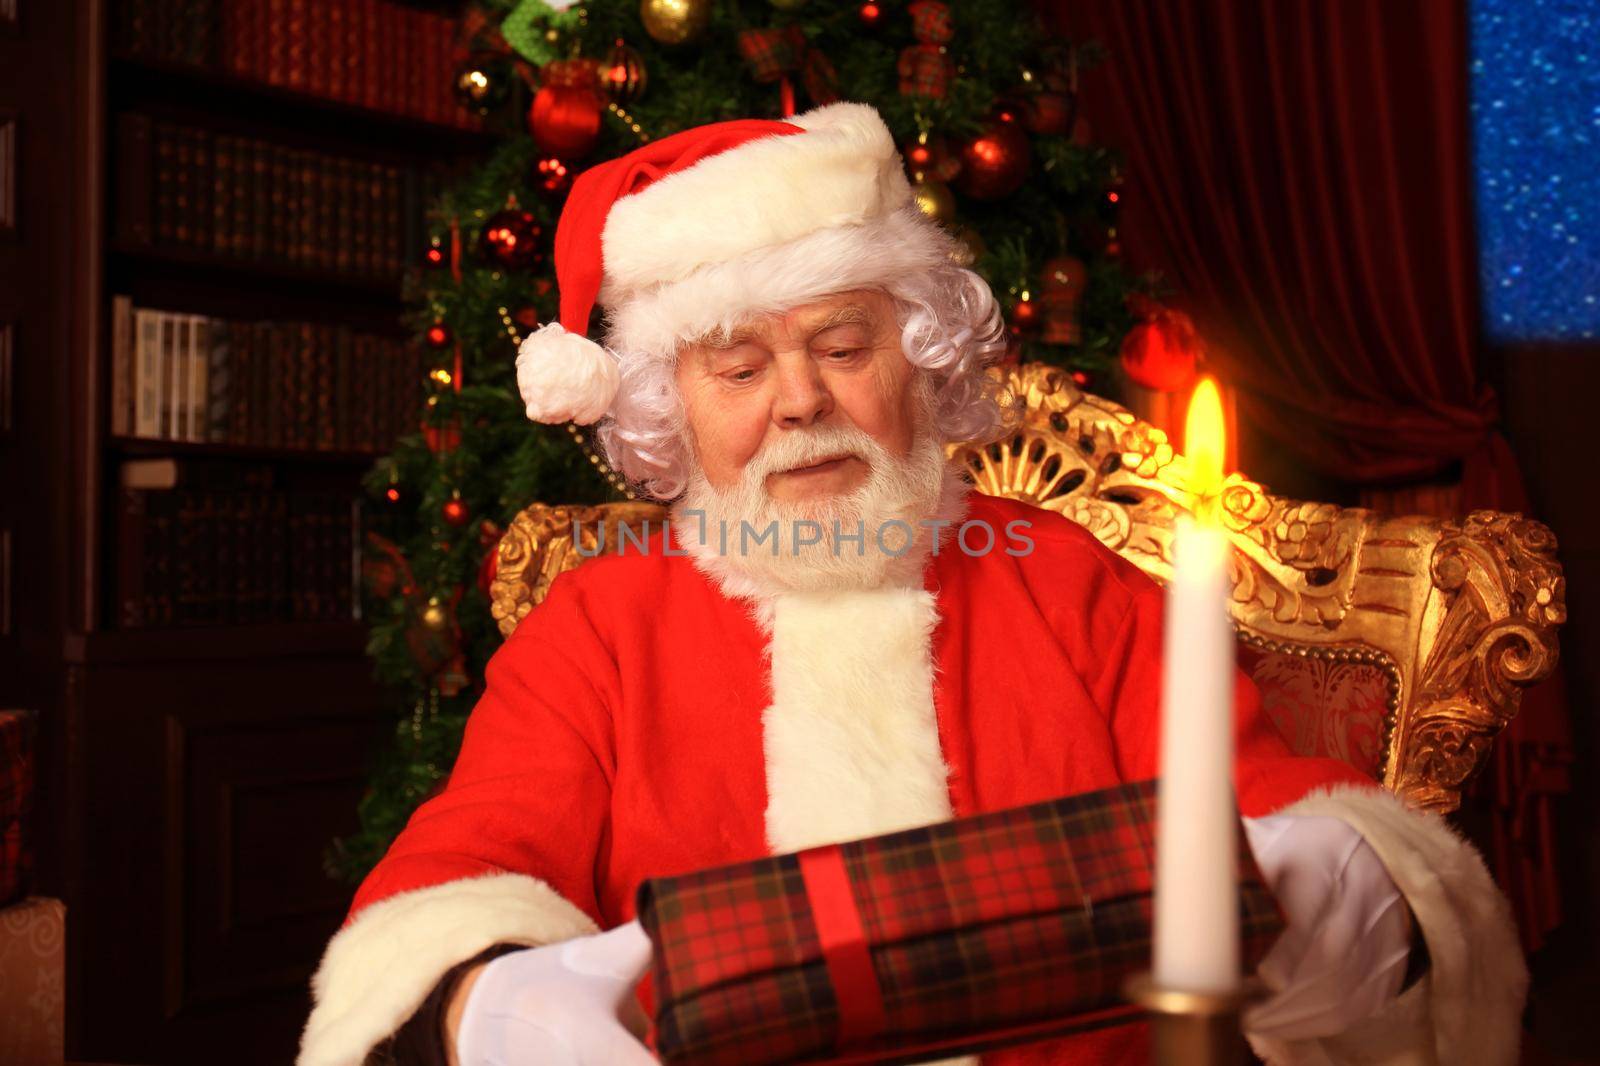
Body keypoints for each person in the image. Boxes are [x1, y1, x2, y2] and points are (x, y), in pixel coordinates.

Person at [297, 103, 1525, 1066]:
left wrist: (1337, 892)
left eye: (843, 344)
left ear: (922, 361)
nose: (799, 399)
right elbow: (459, 875)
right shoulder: (601, 620)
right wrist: (484, 1001)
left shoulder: (1070, 584)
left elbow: (1290, 817)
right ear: (671, 412)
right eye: (735, 365)